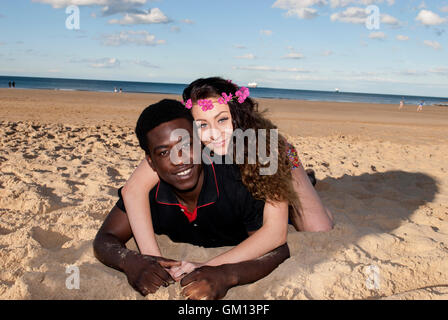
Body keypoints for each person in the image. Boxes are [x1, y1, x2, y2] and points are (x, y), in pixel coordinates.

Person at [122, 77, 333, 277]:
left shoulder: (263, 147)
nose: (215, 133)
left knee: (319, 228)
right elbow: (132, 190)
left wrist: (206, 266)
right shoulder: (184, 143)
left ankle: (303, 178)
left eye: (222, 119)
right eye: (202, 124)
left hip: (283, 158)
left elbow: (275, 234)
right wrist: (154, 260)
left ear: (236, 114)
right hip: (242, 167)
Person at [93, 99, 290, 299]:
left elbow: (277, 248)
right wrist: (132, 262)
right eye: (164, 152)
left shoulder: (237, 183)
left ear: (201, 143)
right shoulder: (149, 194)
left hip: (276, 159)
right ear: (151, 162)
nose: (179, 159)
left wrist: (228, 275)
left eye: (186, 144)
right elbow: (105, 239)